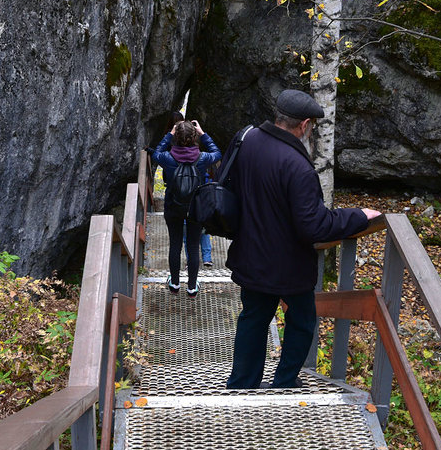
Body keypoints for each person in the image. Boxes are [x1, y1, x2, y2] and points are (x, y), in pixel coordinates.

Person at [224, 89, 381, 389]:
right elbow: (315, 226)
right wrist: (359, 216)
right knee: (302, 320)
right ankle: (283, 382)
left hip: (251, 254)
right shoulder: (297, 167)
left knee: (253, 320)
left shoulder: (248, 140)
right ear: (305, 124)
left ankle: (241, 386)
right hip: (287, 265)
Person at [152, 118, 221, 297]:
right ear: (194, 137)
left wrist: (170, 135)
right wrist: (203, 134)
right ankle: (192, 287)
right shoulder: (202, 158)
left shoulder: (168, 158)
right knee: (192, 245)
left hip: (173, 206)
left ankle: (174, 283)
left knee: (175, 244)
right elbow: (217, 153)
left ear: (176, 137)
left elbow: (156, 153)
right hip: (195, 208)